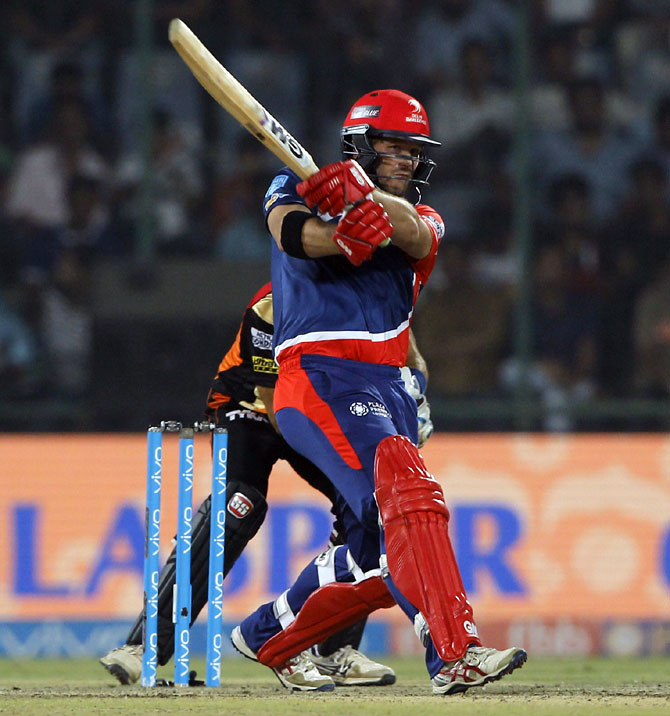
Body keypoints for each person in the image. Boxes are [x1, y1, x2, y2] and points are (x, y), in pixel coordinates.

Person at [230, 89, 526, 695]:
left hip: (386, 384)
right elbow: (292, 236)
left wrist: (366, 201)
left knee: (378, 547)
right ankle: (454, 652)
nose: (406, 159)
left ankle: (269, 633)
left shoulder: (427, 217)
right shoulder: (293, 185)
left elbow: (414, 233)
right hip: (318, 373)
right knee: (410, 494)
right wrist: (335, 229)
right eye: (392, 147)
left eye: (414, 150)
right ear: (362, 144)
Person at [99, 282, 431, 688]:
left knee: (368, 507)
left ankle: (332, 650)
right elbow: (278, 408)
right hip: (254, 405)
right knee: (240, 502)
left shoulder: (373, 293)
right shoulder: (275, 307)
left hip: (321, 403)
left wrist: (415, 396)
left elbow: (410, 356)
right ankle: (145, 646)